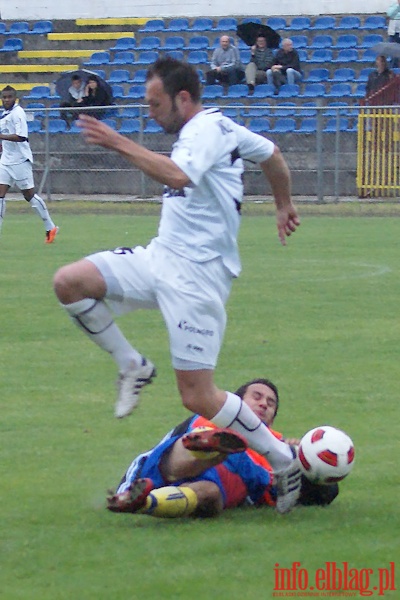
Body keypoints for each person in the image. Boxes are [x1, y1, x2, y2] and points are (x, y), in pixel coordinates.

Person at [53, 57, 301, 513]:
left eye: (155, 103)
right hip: (161, 257)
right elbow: (272, 154)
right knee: (70, 282)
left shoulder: (206, 130)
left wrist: (116, 141)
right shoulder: (217, 129)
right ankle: (132, 364)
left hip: (199, 278)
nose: (150, 111)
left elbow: (177, 175)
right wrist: (283, 203)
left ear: (182, 99)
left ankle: (282, 460)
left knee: (198, 396)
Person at [107, 378, 339, 518]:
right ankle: (208, 447)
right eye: (256, 397)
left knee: (209, 492)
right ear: (236, 403)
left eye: (271, 403)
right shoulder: (206, 417)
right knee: (200, 444)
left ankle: (144, 502)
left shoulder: (280, 447)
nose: (263, 404)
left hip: (219, 484)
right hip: (169, 462)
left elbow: (327, 493)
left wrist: (306, 460)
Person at [0, 85, 59, 243]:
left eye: (9, 97)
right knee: (0, 195)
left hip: (20, 161)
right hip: (5, 160)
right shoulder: (5, 114)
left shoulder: (18, 113)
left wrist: (1, 136)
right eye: (4, 97)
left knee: (29, 196)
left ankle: (50, 226)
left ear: (15, 98)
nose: (6, 100)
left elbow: (21, 137)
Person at [387, 0, 400, 68]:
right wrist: (398, 5)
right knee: (393, 56)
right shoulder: (393, 4)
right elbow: (390, 14)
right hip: (394, 34)